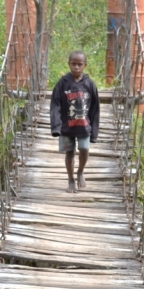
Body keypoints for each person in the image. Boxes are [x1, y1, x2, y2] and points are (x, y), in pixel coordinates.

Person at [50, 50, 100, 193]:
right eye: (73, 64)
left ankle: (80, 171)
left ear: (85, 65)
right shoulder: (63, 83)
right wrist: (56, 126)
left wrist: (94, 131)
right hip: (66, 127)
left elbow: (95, 109)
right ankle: (71, 179)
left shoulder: (90, 84)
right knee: (69, 153)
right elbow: (55, 105)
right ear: (69, 64)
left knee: (84, 149)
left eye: (80, 64)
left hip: (84, 126)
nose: (76, 67)